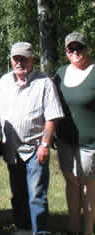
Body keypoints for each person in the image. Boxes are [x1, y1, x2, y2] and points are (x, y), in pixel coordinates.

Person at [0, 42, 64, 234]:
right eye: (16, 58)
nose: (19, 62)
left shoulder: (44, 83)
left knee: (36, 195)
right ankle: (23, 229)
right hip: (11, 149)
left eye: (23, 58)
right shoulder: (4, 82)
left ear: (32, 59)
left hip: (35, 149)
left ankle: (40, 231)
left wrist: (45, 144)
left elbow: (52, 116)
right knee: (18, 193)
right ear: (11, 60)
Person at [54, 32, 95, 235]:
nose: (75, 52)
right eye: (71, 49)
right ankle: (73, 227)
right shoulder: (60, 73)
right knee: (71, 183)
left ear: (87, 49)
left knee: (88, 187)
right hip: (64, 141)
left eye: (79, 47)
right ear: (66, 52)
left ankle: (88, 230)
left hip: (90, 144)